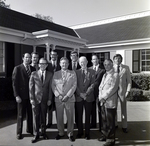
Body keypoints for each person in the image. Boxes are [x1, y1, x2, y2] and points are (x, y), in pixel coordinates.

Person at [52, 57, 77, 142]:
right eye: (62, 63)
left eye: (66, 63)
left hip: (69, 99)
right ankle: (61, 132)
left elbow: (74, 85)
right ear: (59, 64)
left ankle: (70, 133)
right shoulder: (56, 74)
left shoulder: (72, 73)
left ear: (68, 64)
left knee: (70, 117)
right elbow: (53, 86)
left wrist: (67, 95)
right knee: (59, 117)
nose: (64, 64)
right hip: (58, 99)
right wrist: (58, 95)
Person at [12, 53, 35, 140]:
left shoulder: (33, 69)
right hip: (21, 96)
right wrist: (16, 95)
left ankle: (30, 130)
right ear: (23, 58)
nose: (28, 59)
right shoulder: (17, 68)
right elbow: (14, 84)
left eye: (29, 57)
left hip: (30, 96)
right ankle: (19, 132)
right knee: (20, 115)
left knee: (30, 114)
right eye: (26, 57)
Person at [29, 58, 53, 143]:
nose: (42, 65)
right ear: (38, 65)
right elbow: (31, 88)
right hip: (35, 99)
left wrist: (50, 99)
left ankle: (43, 132)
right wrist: (31, 99)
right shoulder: (34, 74)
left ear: (46, 65)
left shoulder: (50, 74)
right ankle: (36, 134)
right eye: (41, 64)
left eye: (44, 64)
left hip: (45, 100)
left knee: (44, 117)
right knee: (35, 117)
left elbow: (50, 88)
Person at [98, 59, 119, 146]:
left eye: (108, 64)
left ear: (112, 64)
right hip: (102, 101)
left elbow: (113, 88)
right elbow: (100, 87)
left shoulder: (115, 75)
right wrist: (100, 97)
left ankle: (110, 140)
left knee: (110, 121)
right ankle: (104, 135)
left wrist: (104, 97)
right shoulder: (104, 75)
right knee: (104, 120)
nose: (106, 66)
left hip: (110, 101)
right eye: (105, 64)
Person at [75, 56, 95, 140]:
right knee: (79, 116)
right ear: (79, 63)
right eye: (81, 62)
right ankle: (80, 132)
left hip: (88, 97)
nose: (83, 63)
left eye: (84, 61)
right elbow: (74, 85)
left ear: (87, 62)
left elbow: (93, 84)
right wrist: (80, 94)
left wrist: (86, 93)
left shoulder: (92, 71)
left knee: (87, 116)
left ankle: (87, 133)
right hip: (79, 97)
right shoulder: (75, 72)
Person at [113, 54, 131, 133]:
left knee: (123, 109)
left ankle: (124, 126)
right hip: (113, 92)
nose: (117, 60)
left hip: (123, 92)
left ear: (121, 59)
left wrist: (128, 91)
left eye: (119, 58)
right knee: (114, 108)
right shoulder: (111, 68)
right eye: (116, 59)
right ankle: (115, 124)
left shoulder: (126, 68)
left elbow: (129, 81)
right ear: (114, 60)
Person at [89, 54, 105, 129]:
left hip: (99, 92)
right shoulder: (89, 69)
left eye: (96, 59)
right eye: (93, 59)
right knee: (92, 109)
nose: (94, 61)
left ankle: (101, 126)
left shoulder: (102, 69)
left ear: (98, 60)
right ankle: (93, 124)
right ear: (91, 61)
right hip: (91, 92)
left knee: (100, 109)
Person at [46, 51, 61, 128]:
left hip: (58, 89)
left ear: (57, 56)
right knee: (49, 107)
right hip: (49, 88)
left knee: (58, 107)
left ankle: (59, 122)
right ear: (50, 55)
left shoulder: (60, 65)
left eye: (55, 55)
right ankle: (49, 122)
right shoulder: (47, 65)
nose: (53, 56)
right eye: (52, 55)